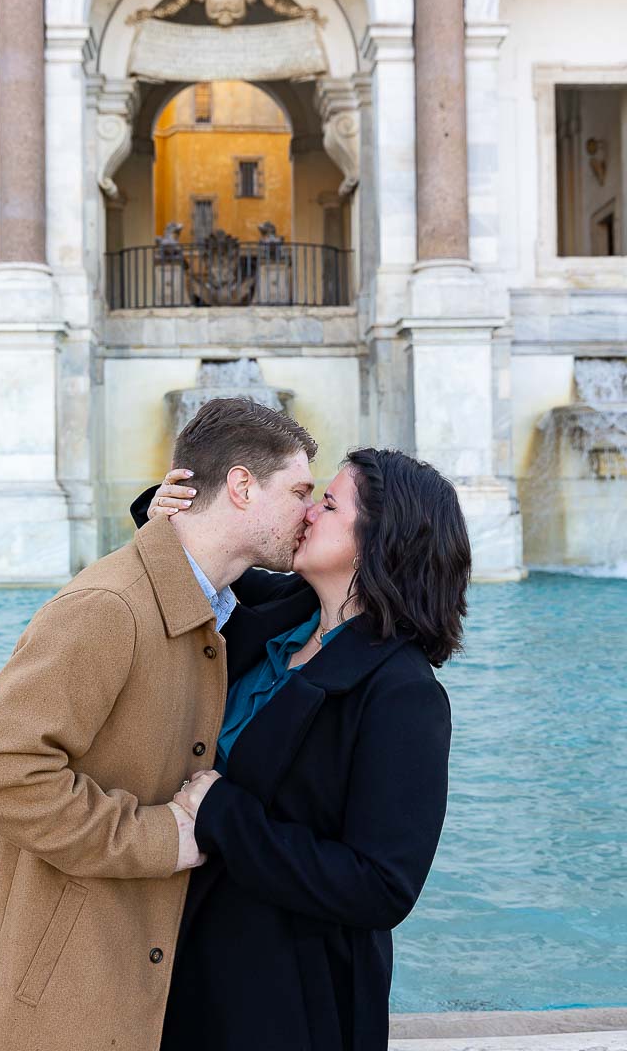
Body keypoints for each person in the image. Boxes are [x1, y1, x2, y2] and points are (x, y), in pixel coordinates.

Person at [0, 398, 318, 1051]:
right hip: (39, 1006)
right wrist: (161, 838)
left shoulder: (211, 608)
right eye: (299, 491)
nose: (310, 513)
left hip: (104, 988)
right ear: (242, 487)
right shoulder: (110, 607)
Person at [136, 444, 471, 1051]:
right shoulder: (284, 613)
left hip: (286, 997)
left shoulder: (404, 695)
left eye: (329, 503)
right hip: (187, 963)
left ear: (377, 541)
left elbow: (380, 885)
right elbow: (209, 563)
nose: (310, 512)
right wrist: (172, 513)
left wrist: (222, 815)